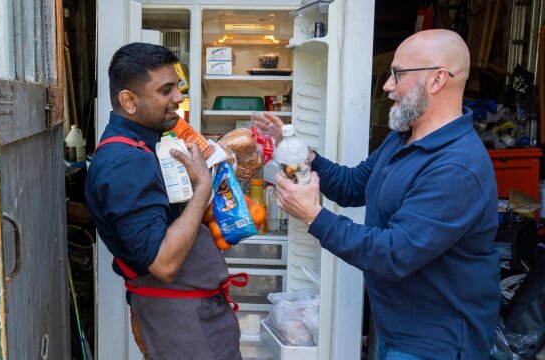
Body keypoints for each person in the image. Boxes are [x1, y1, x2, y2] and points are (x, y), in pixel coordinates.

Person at [258, 29, 500, 359]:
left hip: (435, 342)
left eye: (397, 74)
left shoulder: (458, 167)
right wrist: (301, 153)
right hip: (395, 328)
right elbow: (355, 185)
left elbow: (393, 254)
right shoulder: (403, 138)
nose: (387, 85)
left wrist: (312, 215)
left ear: (437, 80)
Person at [85, 42, 242, 360]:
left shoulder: (143, 145)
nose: (179, 98)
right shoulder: (127, 161)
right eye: (166, 90)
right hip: (183, 322)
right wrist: (202, 187)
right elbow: (163, 263)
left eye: (178, 87)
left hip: (193, 311)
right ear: (128, 100)